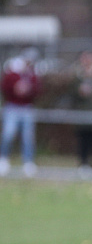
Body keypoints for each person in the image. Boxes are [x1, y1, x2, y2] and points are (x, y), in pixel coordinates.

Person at [0, 49, 41, 178]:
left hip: (27, 108)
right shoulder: (12, 72)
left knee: (28, 137)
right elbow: (5, 87)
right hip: (12, 107)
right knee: (8, 134)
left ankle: (28, 162)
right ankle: (3, 159)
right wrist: (15, 87)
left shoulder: (32, 74)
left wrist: (28, 90)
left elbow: (38, 90)